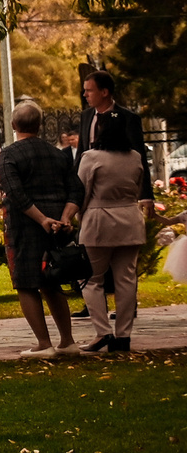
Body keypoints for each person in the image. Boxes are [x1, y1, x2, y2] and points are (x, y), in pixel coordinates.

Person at [0, 99, 80, 356]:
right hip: (57, 226)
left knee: (26, 283)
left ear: (13, 124)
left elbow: (15, 193)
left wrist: (41, 219)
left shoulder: (9, 153)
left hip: (26, 226)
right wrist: (65, 217)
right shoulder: (57, 153)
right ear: (40, 124)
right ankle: (68, 341)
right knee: (52, 281)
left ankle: (44, 343)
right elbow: (76, 188)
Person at [77, 117, 148, 353]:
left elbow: (82, 192)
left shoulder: (91, 157)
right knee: (126, 279)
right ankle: (124, 335)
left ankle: (102, 332)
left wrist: (78, 217)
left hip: (99, 220)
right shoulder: (135, 157)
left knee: (91, 278)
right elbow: (137, 187)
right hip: (129, 219)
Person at [80, 69, 157, 199]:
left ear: (104, 92)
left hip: (118, 188)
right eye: (85, 90)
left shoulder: (128, 118)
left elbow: (140, 156)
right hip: (91, 187)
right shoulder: (86, 116)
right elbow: (81, 153)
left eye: (89, 90)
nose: (85, 95)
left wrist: (146, 196)